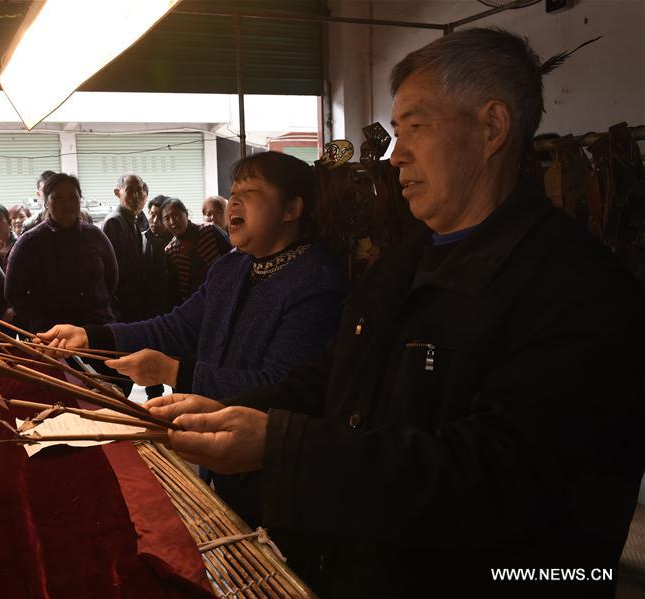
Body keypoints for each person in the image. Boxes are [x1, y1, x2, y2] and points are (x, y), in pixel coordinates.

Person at [145, 28, 645, 598]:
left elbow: (490, 480)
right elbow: (333, 378)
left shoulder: (577, 292)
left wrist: (280, 446)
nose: (396, 152)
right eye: (397, 129)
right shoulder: (405, 263)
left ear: (492, 127)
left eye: (418, 126)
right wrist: (229, 409)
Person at [39, 152, 350, 528]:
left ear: (292, 208)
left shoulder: (317, 282)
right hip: (218, 453)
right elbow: (176, 327)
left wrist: (174, 370)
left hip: (275, 468)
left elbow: (283, 385)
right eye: (233, 192)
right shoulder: (231, 267)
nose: (234, 201)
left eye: (250, 192)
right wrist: (91, 335)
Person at [5, 174, 117, 333]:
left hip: (97, 329)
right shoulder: (29, 242)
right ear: (46, 203)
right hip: (53, 336)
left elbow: (111, 280)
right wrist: (38, 319)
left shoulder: (95, 236)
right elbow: (13, 294)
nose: (67, 203)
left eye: (73, 197)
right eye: (58, 197)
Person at [162, 198, 231, 305]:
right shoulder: (171, 251)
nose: (172, 221)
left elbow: (234, 259)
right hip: (196, 305)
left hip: (225, 294)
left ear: (186, 213)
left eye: (176, 215)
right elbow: (177, 291)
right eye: (167, 218)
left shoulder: (210, 231)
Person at [101, 173, 149, 323]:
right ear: (118, 193)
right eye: (129, 190)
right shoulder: (114, 222)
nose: (136, 196)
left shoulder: (132, 220)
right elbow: (117, 271)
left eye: (139, 190)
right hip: (123, 306)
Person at [141, 194, 175, 399]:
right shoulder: (144, 238)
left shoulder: (175, 240)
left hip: (174, 309)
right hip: (150, 310)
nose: (153, 221)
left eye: (158, 217)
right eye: (151, 215)